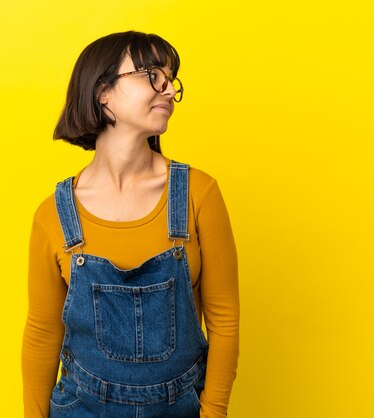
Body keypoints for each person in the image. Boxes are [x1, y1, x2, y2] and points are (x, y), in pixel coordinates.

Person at [22, 31, 239, 418]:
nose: (169, 90)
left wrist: (215, 412)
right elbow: (42, 334)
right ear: (103, 92)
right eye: (152, 75)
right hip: (80, 408)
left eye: (171, 79)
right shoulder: (53, 214)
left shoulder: (198, 194)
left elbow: (224, 322)